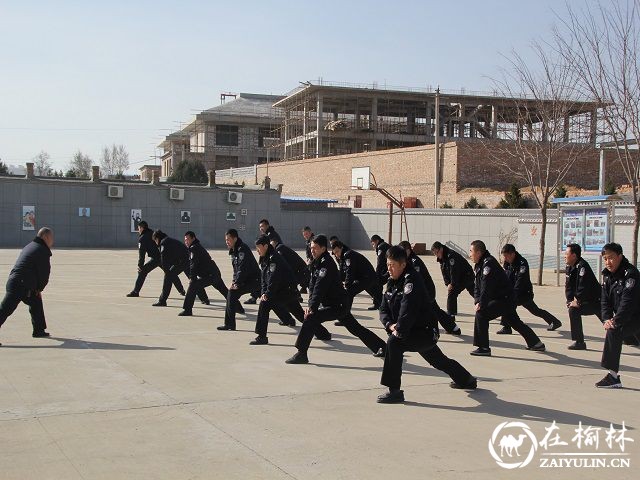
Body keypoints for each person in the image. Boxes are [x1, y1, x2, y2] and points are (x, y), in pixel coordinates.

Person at [377, 246, 477, 403]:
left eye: (392, 265)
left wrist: (399, 330)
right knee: (439, 361)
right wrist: (390, 325)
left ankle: (394, 391)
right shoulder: (392, 281)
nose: (389, 268)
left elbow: (407, 309)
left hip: (424, 332)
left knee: (394, 343)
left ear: (403, 264)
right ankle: (467, 379)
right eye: (387, 264)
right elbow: (383, 308)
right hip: (410, 331)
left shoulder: (412, 281)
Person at [285, 234, 386, 364]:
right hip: (334, 304)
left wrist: (311, 308)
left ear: (323, 248)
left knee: (311, 318)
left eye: (315, 248)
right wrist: (311, 304)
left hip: (338, 305)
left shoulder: (326, 264)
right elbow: (312, 285)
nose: (312, 250)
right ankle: (382, 347)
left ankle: (301, 353)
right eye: (311, 248)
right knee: (355, 328)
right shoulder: (317, 262)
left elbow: (319, 288)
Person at [469, 240, 545, 356]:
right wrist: (477, 301)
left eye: (471, 251)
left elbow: (485, 288)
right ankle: (536, 343)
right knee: (514, 321)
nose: (470, 254)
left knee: (481, 314)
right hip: (503, 299)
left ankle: (483, 347)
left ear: (478, 252)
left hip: (505, 299)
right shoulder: (481, 264)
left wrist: (481, 304)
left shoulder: (488, 264)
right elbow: (477, 287)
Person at [0, 227, 54, 343]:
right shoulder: (41, 250)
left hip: (20, 282)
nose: (52, 241)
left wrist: (37, 290)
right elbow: (44, 273)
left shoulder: (31, 245)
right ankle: (39, 330)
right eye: (51, 238)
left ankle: (39, 330)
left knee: (35, 301)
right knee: (5, 310)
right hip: (19, 285)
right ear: (45, 237)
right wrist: (40, 288)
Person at [251, 236, 308, 345]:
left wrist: (267, 294)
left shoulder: (274, 258)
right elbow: (264, 279)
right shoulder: (265, 258)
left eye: (258, 247)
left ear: (266, 246)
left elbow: (274, 279)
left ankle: (262, 337)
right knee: (300, 315)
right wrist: (264, 293)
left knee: (265, 304)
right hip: (281, 291)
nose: (257, 250)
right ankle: (322, 333)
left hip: (287, 291)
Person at [597, 243, 640, 388]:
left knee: (614, 331)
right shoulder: (607, 276)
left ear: (620, 257)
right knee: (614, 330)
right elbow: (604, 300)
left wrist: (616, 321)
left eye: (611, 258)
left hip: (635, 316)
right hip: (628, 317)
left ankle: (613, 378)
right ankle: (613, 376)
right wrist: (606, 318)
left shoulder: (630, 274)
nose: (608, 262)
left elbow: (628, 302)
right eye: (605, 258)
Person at [497, 244, 562, 334]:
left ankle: (555, 322)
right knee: (507, 304)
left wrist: (512, 293)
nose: (505, 259)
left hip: (523, 293)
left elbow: (521, 281)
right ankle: (506, 327)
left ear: (512, 254)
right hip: (513, 292)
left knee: (534, 310)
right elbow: (506, 276)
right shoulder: (507, 262)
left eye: (506, 256)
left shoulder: (522, 263)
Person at [399, 241, 461, 335]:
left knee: (434, 311)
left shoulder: (414, 262)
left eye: (402, 251)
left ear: (408, 250)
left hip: (426, 291)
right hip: (420, 291)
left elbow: (416, 279)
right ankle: (451, 328)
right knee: (430, 311)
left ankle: (453, 328)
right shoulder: (406, 260)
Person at [179, 231, 236, 316]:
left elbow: (193, 265)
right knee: (225, 291)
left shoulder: (194, 248)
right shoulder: (195, 247)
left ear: (193, 238)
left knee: (193, 286)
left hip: (211, 275)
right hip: (214, 273)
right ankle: (238, 308)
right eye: (185, 240)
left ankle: (187, 310)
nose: (186, 242)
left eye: (188, 239)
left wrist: (192, 278)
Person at [126, 221, 185, 298]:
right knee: (170, 273)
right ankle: (181, 290)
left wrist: (140, 265)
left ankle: (136, 291)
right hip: (163, 257)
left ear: (142, 228)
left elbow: (142, 254)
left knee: (142, 271)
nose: (138, 230)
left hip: (156, 258)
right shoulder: (153, 233)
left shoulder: (142, 238)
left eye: (139, 228)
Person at [218, 229, 260, 331]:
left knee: (274, 301)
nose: (227, 242)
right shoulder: (234, 251)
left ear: (235, 239)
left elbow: (242, 268)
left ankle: (288, 319)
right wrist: (234, 282)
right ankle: (230, 324)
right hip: (246, 280)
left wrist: (237, 283)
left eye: (228, 239)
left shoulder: (242, 250)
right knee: (231, 294)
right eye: (226, 240)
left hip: (256, 280)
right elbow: (236, 270)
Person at [152, 230, 206, 307]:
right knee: (193, 280)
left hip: (182, 261)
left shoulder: (163, 243)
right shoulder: (168, 240)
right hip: (186, 259)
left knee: (168, 278)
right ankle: (204, 298)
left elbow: (163, 260)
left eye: (155, 240)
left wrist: (167, 272)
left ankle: (162, 300)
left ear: (157, 238)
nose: (155, 242)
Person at [564, 243, 602, 350]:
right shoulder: (569, 267)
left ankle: (631, 337)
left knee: (611, 322)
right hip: (586, 301)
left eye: (566, 253)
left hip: (597, 301)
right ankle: (579, 342)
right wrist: (570, 300)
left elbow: (583, 286)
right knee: (573, 310)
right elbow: (568, 286)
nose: (564, 256)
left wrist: (578, 301)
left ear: (574, 256)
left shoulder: (582, 266)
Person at [330, 239, 382, 312]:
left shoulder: (348, 255)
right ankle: (388, 309)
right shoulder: (342, 256)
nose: (336, 254)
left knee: (349, 292)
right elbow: (342, 272)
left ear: (341, 247)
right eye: (334, 253)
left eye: (337, 252)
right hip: (366, 277)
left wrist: (347, 285)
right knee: (378, 296)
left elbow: (349, 271)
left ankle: (345, 315)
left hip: (366, 277)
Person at [431, 241, 475, 321]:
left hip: (466, 276)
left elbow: (454, 271)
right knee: (475, 292)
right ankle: (485, 304)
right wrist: (447, 283)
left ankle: (450, 315)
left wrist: (452, 284)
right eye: (434, 254)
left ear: (441, 249)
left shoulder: (451, 256)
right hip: (461, 277)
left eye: (437, 253)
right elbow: (444, 271)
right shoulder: (442, 257)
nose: (436, 255)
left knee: (452, 293)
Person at [370, 235, 390, 310]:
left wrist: (377, 273)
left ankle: (379, 304)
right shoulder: (384, 245)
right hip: (388, 268)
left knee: (377, 284)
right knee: (378, 284)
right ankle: (379, 303)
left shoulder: (381, 247)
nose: (373, 246)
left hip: (389, 269)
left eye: (373, 244)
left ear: (376, 241)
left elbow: (380, 262)